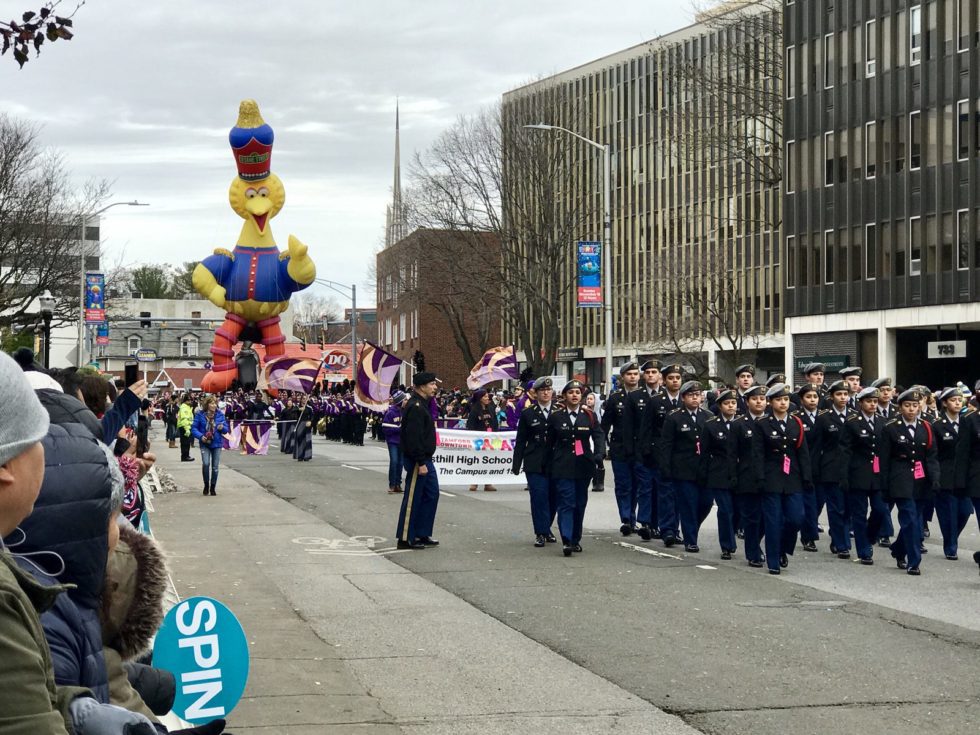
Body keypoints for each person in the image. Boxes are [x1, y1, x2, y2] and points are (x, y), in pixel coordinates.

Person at [881, 388, 941, 576]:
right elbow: (884, 460)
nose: (912, 409)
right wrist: (884, 486)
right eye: (907, 405)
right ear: (900, 407)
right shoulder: (890, 427)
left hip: (921, 479)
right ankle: (914, 562)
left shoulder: (927, 427)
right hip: (900, 479)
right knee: (909, 521)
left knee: (915, 519)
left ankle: (899, 549)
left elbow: (931, 456)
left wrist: (935, 478)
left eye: (915, 405)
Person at [757, 383, 812, 575]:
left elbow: (802, 452)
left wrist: (807, 477)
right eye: (779, 400)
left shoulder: (796, 423)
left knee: (796, 518)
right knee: (773, 521)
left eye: (786, 399)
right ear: (771, 402)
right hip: (771, 477)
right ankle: (773, 560)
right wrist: (760, 478)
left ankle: (783, 548)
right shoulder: (763, 424)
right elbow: (758, 454)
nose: (783, 403)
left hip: (792, 477)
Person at [547, 380, 605, 557]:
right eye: (571, 392)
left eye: (578, 392)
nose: (574, 395)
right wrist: (547, 465)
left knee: (579, 504)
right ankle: (566, 539)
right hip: (562, 465)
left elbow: (599, 436)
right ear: (564, 396)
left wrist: (599, 454)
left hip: (583, 465)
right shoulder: (556, 416)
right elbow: (549, 443)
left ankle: (575, 539)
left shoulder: (589, 416)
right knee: (567, 502)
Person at [660, 380, 711, 553]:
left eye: (698, 395)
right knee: (688, 504)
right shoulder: (674, 416)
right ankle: (691, 539)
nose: (695, 398)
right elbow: (666, 444)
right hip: (683, 469)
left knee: (706, 503)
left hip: (704, 469)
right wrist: (666, 468)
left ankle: (691, 528)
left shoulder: (708, 416)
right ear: (683, 397)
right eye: (691, 395)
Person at [839, 386, 887, 565]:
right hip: (858, 474)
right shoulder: (852, 422)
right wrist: (844, 476)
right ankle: (864, 550)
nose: (873, 404)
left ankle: (870, 535)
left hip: (878, 474)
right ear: (860, 403)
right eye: (869, 401)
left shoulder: (883, 421)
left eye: (875, 401)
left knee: (881, 510)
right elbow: (845, 451)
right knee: (858, 514)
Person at [396, 372, 441, 550]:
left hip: (426, 459)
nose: (435, 387)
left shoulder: (424, 404)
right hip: (418, 460)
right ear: (421, 386)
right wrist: (420, 462)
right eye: (431, 384)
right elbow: (413, 438)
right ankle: (406, 537)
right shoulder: (416, 406)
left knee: (431, 494)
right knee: (414, 497)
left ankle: (422, 532)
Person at [808, 381, 853, 557]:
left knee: (848, 508)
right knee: (836, 508)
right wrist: (814, 470)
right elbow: (816, 446)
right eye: (839, 394)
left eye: (845, 394)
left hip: (851, 469)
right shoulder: (823, 418)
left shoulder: (854, 416)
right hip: (830, 468)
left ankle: (837, 537)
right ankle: (842, 545)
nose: (843, 397)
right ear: (832, 397)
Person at [512, 377, 558, 547]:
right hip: (534, 461)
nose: (546, 393)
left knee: (554, 498)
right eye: (542, 390)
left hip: (555, 462)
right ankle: (540, 532)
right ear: (536, 393)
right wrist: (516, 464)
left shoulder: (559, 411)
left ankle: (547, 528)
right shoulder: (528, 413)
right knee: (539, 497)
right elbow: (521, 440)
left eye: (548, 390)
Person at [699, 389, 739, 559]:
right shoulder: (711, 425)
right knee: (725, 510)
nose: (731, 406)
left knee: (738, 511)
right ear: (720, 406)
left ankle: (734, 533)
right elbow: (705, 453)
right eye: (727, 403)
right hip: (719, 472)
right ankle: (727, 545)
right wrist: (703, 475)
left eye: (733, 403)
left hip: (740, 473)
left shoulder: (743, 423)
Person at [932, 387, 971, 560]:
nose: (957, 403)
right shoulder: (937, 425)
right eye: (953, 400)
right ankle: (950, 546)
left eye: (959, 399)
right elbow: (933, 454)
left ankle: (952, 538)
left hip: (964, 475)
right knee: (949, 512)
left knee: (964, 511)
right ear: (945, 403)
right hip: (945, 474)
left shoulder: (967, 422)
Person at [601, 362, 640, 535]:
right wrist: (601, 447)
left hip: (639, 449)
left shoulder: (644, 396)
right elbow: (605, 425)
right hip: (620, 448)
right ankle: (625, 518)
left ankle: (633, 517)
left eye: (635, 373)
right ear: (622, 377)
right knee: (623, 484)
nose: (633, 376)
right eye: (629, 374)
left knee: (637, 485)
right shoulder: (615, 398)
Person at [629, 360, 664, 540]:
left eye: (654, 372)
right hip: (641, 451)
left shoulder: (667, 397)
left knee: (660, 489)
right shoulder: (635, 397)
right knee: (645, 488)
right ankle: (646, 522)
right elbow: (629, 427)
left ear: (660, 375)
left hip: (661, 452)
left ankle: (657, 524)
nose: (651, 375)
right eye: (648, 372)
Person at [732, 385, 766, 567]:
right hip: (746, 476)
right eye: (754, 399)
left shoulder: (770, 422)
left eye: (762, 398)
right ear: (746, 402)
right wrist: (733, 477)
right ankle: (753, 551)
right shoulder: (739, 424)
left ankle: (756, 543)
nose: (759, 402)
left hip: (769, 476)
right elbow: (732, 453)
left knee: (768, 517)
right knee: (752, 517)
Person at [191, 397, 228, 496]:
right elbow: (194, 428)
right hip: (205, 443)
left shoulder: (220, 415)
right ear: (207, 405)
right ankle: (206, 485)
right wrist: (200, 436)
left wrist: (222, 427)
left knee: (215, 467)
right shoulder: (200, 415)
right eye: (211, 403)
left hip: (217, 444)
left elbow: (226, 429)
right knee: (206, 463)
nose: (214, 405)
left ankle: (213, 487)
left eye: (215, 403)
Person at [466, 389, 498, 492]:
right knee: (477, 461)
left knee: (488, 461)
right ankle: (474, 482)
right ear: (480, 399)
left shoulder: (491, 409)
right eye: (485, 396)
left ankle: (487, 483)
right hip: (478, 440)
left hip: (490, 439)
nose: (487, 398)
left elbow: (495, 423)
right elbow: (470, 426)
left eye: (488, 396)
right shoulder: (474, 410)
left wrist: (496, 434)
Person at [382, 391, 408, 494]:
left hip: (402, 441)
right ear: (400, 401)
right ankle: (392, 485)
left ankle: (398, 484)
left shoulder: (405, 412)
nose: (407, 401)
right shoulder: (390, 412)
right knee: (394, 462)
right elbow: (385, 428)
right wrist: (399, 429)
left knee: (401, 463)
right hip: (392, 441)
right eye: (405, 399)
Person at [584, 391, 605, 492]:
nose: (589, 401)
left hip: (596, 437)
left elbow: (600, 430)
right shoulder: (583, 412)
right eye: (587, 399)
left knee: (598, 460)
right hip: (587, 438)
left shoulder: (600, 412)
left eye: (591, 399)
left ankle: (599, 482)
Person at [292, 394, 314, 462]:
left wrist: (310, 421)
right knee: (300, 440)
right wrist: (299, 409)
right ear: (301, 400)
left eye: (305, 399)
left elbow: (312, 416)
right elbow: (293, 412)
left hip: (307, 425)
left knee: (307, 440)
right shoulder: (296, 407)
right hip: (300, 425)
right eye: (303, 399)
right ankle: (300, 456)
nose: (304, 400)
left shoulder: (309, 408)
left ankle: (307, 456)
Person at [177, 395, 195, 462]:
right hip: (185, 427)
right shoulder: (184, 408)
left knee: (186, 442)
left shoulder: (187, 407)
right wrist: (187, 428)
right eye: (189, 400)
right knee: (185, 442)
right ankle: (185, 456)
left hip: (186, 426)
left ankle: (186, 455)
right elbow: (184, 419)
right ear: (185, 400)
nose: (190, 401)